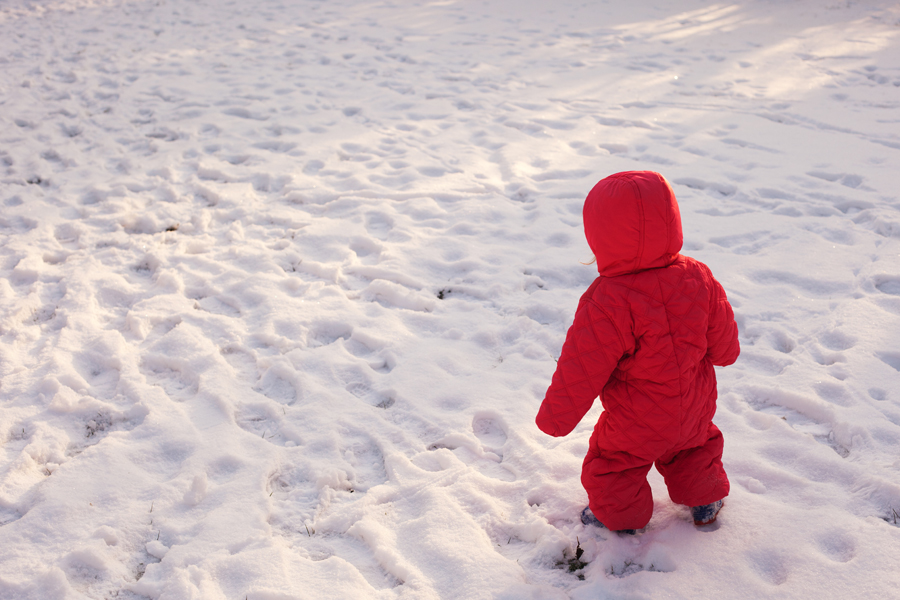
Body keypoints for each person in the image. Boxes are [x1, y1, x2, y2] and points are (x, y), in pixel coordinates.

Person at [535, 170, 740, 534]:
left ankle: (621, 517)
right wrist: (725, 351)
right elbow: (723, 345)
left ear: (600, 233)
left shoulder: (607, 299)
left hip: (636, 420)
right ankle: (704, 498)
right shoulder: (698, 275)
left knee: (615, 462)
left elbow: (582, 366)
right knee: (695, 448)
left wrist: (556, 417)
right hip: (693, 407)